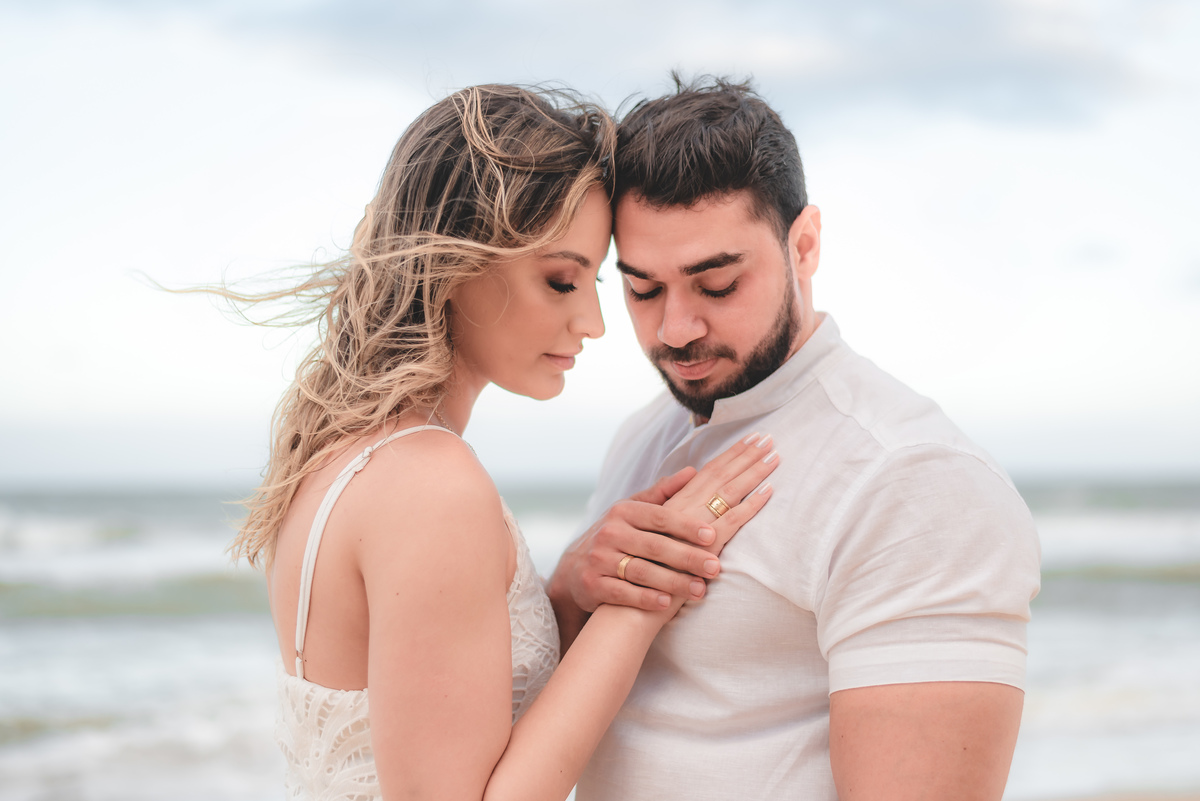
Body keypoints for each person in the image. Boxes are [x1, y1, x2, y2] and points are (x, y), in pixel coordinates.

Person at [220, 85, 780, 800]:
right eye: (561, 280)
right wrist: (641, 601)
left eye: (596, 281)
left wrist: (566, 593)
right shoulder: (431, 485)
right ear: (458, 264)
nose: (594, 323)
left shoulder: (337, 454)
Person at [547, 76, 1043, 801]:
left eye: (717, 284)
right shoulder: (641, 434)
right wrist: (569, 585)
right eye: (643, 289)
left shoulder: (916, 480)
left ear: (803, 245)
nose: (675, 329)